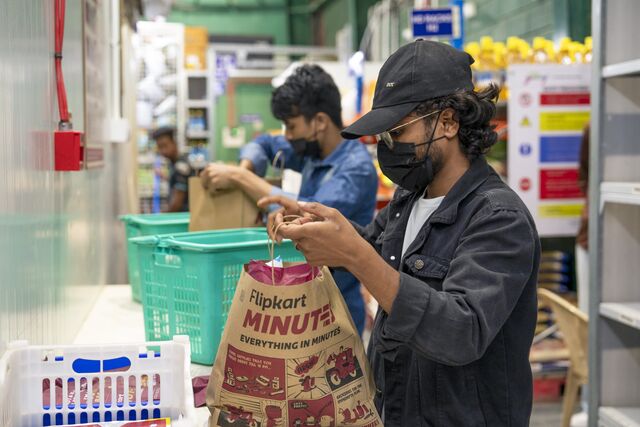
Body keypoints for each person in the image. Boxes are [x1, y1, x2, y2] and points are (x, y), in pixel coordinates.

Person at [263, 40, 540, 426]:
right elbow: (375, 250)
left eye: (397, 132)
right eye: (382, 137)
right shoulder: (410, 198)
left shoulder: (498, 218)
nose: (386, 148)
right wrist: (319, 228)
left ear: (448, 122)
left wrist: (354, 255)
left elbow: (462, 330)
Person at [200, 64, 378, 335]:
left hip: (337, 315)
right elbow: (264, 144)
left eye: (292, 126)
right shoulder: (310, 150)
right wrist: (248, 166)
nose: (288, 135)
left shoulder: (356, 169)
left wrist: (239, 178)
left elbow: (311, 215)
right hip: (302, 306)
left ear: (320, 122)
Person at [152, 127, 194, 212]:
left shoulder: (181, 165)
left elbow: (177, 203)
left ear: (174, 143)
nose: (163, 151)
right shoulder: (174, 163)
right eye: (160, 147)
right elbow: (177, 181)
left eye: (165, 145)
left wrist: (164, 218)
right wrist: (164, 176)